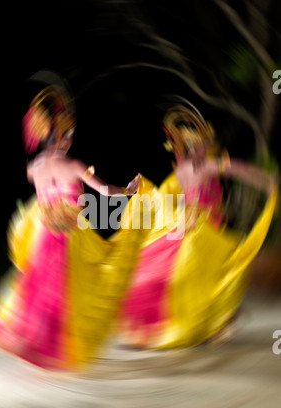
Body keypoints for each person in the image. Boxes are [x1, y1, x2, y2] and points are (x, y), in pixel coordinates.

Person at [0, 82, 142, 371]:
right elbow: (105, 191)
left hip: (44, 235)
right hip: (69, 236)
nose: (70, 140)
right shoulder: (74, 165)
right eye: (67, 134)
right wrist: (128, 190)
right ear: (58, 135)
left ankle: (38, 342)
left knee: (38, 290)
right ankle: (57, 348)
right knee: (78, 285)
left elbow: (39, 189)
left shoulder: (34, 168)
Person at [118, 101, 278, 349]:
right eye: (193, 144)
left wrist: (266, 181)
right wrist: (268, 182)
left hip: (192, 221)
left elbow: (237, 171)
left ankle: (213, 321)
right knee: (210, 268)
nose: (199, 148)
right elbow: (241, 171)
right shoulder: (204, 166)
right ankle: (209, 322)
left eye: (199, 143)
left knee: (201, 271)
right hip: (199, 223)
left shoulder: (184, 168)